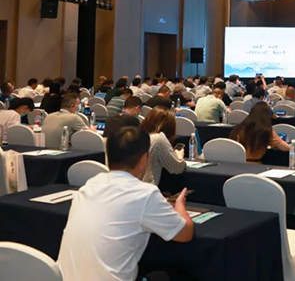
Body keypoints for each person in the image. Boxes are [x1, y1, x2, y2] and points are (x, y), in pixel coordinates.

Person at [57, 127, 193, 280]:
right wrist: (180, 205)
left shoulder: (89, 186)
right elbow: (185, 234)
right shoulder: (144, 193)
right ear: (144, 159)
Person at [139, 107, 186, 185]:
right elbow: (177, 168)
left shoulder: (138, 135)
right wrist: (179, 156)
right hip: (147, 188)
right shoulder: (158, 139)